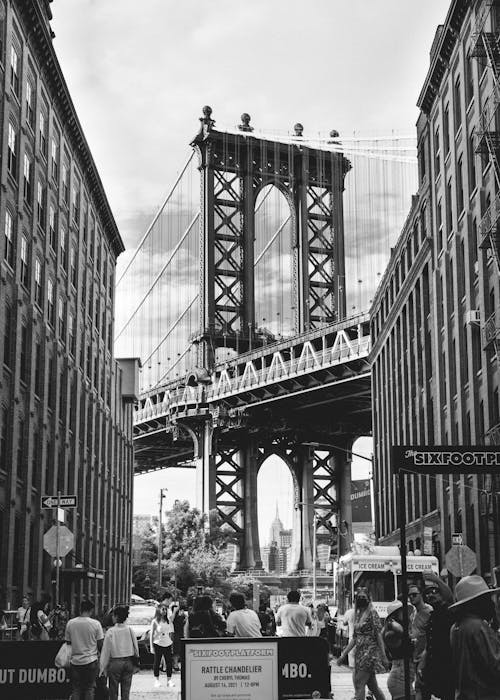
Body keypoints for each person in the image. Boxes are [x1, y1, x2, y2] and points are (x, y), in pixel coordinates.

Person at [449, 574, 500, 699]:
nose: (491, 602)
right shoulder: (478, 627)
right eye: (487, 598)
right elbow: (495, 665)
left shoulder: (455, 627)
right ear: (479, 602)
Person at [337, 586, 388, 700]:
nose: (361, 599)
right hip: (359, 653)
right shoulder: (358, 613)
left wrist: (383, 655)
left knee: (359, 684)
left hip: (369, 653)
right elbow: (355, 638)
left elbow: (378, 635)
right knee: (373, 687)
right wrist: (343, 655)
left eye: (363, 597)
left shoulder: (372, 613)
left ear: (368, 598)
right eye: (359, 597)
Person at [418, 574, 454, 700]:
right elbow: (429, 644)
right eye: (427, 593)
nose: (431, 595)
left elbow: (450, 597)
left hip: (446, 668)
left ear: (441, 595)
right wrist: (422, 663)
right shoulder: (432, 616)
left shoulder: (448, 611)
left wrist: (437, 580)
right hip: (432, 668)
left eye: (435, 592)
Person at [65, 598, 104, 700]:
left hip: (75, 661)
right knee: (89, 688)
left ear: (80, 609)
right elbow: (100, 644)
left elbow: (68, 643)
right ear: (91, 610)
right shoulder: (96, 624)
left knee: (76, 688)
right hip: (91, 660)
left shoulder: (70, 623)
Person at [100, 604, 139, 700]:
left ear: (116, 616)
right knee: (126, 691)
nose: (112, 617)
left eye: (113, 615)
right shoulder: (130, 630)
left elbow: (106, 651)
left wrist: (103, 667)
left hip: (115, 663)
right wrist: (136, 663)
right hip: (128, 662)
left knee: (113, 691)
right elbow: (136, 648)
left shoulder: (111, 632)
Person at [383, 600, 415, 700]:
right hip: (400, 676)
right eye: (403, 611)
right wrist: (391, 622)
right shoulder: (392, 632)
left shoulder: (400, 629)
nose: (406, 614)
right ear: (396, 614)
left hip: (404, 675)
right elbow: (401, 632)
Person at [408, 583, 432, 700]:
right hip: (415, 656)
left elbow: (433, 634)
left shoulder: (429, 611)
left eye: (414, 594)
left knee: (422, 687)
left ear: (421, 595)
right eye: (410, 595)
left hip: (426, 656)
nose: (411, 597)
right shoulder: (413, 613)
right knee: (419, 688)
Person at [149, 605, 174, 688]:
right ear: (159, 610)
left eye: (165, 610)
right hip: (158, 643)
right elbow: (151, 634)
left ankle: (169, 680)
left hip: (167, 643)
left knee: (169, 662)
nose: (164, 611)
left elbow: (171, 633)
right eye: (163, 609)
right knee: (157, 662)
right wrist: (151, 646)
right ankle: (156, 680)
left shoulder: (168, 621)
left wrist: (171, 643)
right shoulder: (155, 621)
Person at [169, 600, 186, 672]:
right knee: (176, 651)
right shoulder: (173, 616)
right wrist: (174, 612)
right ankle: (175, 664)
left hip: (180, 634)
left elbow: (184, 623)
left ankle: (176, 664)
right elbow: (171, 621)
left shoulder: (182, 616)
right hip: (175, 634)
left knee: (179, 651)